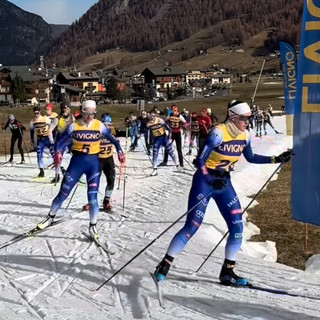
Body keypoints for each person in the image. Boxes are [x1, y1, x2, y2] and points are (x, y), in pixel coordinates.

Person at [153, 100, 292, 286]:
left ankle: (228, 271)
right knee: (192, 226)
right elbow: (199, 161)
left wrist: (276, 158)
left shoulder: (246, 134)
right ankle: (165, 264)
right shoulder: (218, 133)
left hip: (224, 183)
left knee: (237, 226)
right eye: (244, 118)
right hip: (205, 181)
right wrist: (210, 180)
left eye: (249, 118)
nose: (247, 122)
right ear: (233, 117)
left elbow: (250, 157)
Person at [36, 100, 125, 239]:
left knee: (93, 199)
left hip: (93, 165)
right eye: (87, 113)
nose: (90, 116)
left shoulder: (99, 125)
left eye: (93, 113)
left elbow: (114, 140)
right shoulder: (74, 126)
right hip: (76, 164)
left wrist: (119, 151)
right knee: (63, 194)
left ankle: (93, 226)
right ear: (82, 111)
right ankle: (50, 217)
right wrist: (58, 152)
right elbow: (59, 142)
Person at [82, 113, 118, 212]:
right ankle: (91, 201)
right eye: (105, 123)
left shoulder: (112, 130)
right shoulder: (96, 130)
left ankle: (106, 201)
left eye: (108, 123)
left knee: (111, 180)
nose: (107, 126)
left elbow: (117, 138)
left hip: (109, 159)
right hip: (97, 159)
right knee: (94, 182)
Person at [146, 109, 181, 176]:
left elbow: (169, 129)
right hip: (156, 139)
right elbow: (145, 130)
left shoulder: (160, 120)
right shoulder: (149, 123)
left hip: (164, 138)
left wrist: (170, 137)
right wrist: (139, 133)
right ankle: (155, 169)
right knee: (155, 154)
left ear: (156, 115)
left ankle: (177, 165)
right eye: (151, 115)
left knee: (170, 152)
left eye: (154, 115)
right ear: (150, 116)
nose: (152, 117)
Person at [30, 106, 55, 177]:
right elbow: (31, 132)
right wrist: (32, 140)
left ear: (40, 112)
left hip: (47, 138)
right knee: (39, 154)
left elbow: (53, 126)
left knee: (53, 153)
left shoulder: (45, 119)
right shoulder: (32, 121)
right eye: (35, 113)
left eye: (37, 113)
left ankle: (58, 167)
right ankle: (41, 170)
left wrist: (53, 138)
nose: (36, 115)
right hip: (40, 139)